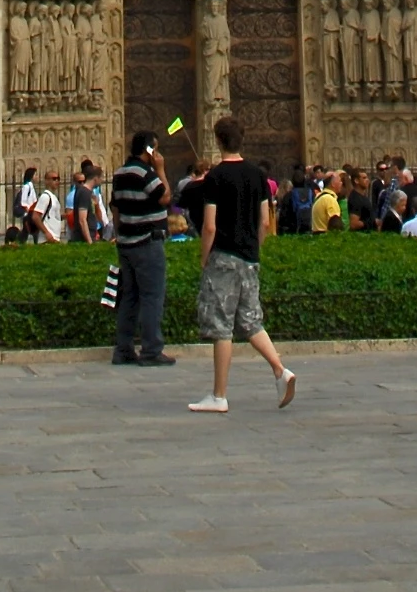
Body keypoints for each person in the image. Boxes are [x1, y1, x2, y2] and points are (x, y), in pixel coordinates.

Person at [182, 120, 295, 414]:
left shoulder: (216, 177)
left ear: (218, 141)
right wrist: (254, 249)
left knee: (222, 326)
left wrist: (204, 257)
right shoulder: (258, 175)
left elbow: (209, 226)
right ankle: (280, 370)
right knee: (250, 320)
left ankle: (219, 395)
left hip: (224, 256)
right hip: (249, 257)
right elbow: (265, 222)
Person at [109, 132, 175, 367]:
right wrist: (161, 169)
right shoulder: (145, 173)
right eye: (155, 149)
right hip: (147, 241)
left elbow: (115, 208)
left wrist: (120, 235)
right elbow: (164, 197)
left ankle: (123, 349)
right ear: (149, 150)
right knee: (151, 297)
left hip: (127, 243)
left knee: (130, 297)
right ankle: (151, 350)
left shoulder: (120, 173)